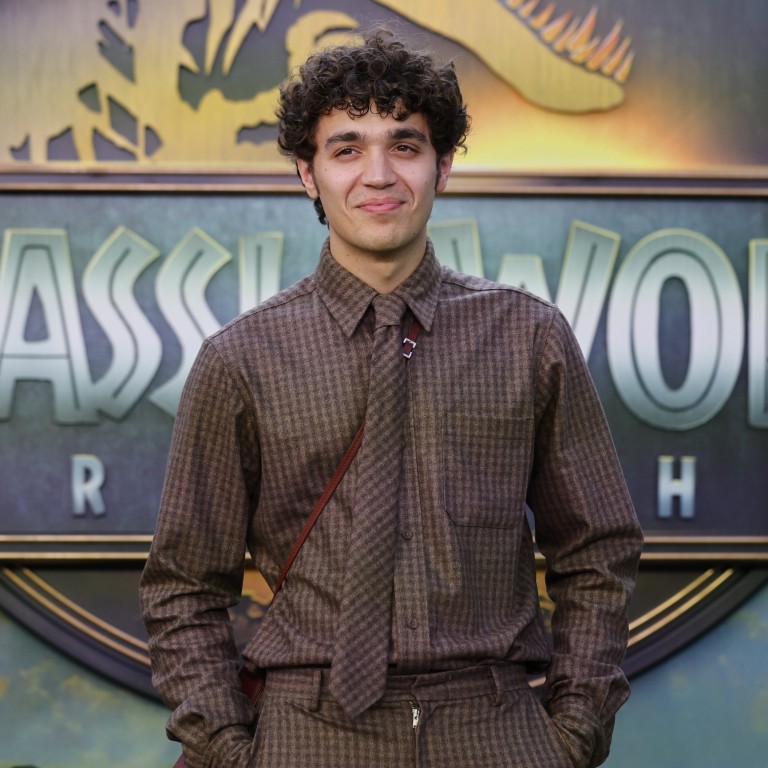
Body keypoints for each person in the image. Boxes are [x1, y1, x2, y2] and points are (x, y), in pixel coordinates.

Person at [140, 29, 643, 768]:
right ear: (308, 175)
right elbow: (183, 586)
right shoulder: (240, 360)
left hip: (494, 728)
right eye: (346, 149)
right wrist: (229, 751)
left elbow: (597, 550)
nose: (379, 174)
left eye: (403, 146)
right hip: (306, 735)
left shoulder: (529, 336)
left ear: (443, 166)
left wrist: (572, 735)